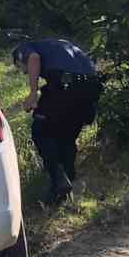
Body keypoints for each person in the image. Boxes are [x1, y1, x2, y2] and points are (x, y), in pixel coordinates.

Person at [13, 38, 103, 206]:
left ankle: (57, 177)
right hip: (91, 87)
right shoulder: (59, 45)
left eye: (20, 68)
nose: (23, 72)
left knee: (40, 130)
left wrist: (33, 92)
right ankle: (62, 192)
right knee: (66, 138)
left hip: (66, 83)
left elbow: (33, 58)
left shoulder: (25, 48)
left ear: (18, 59)